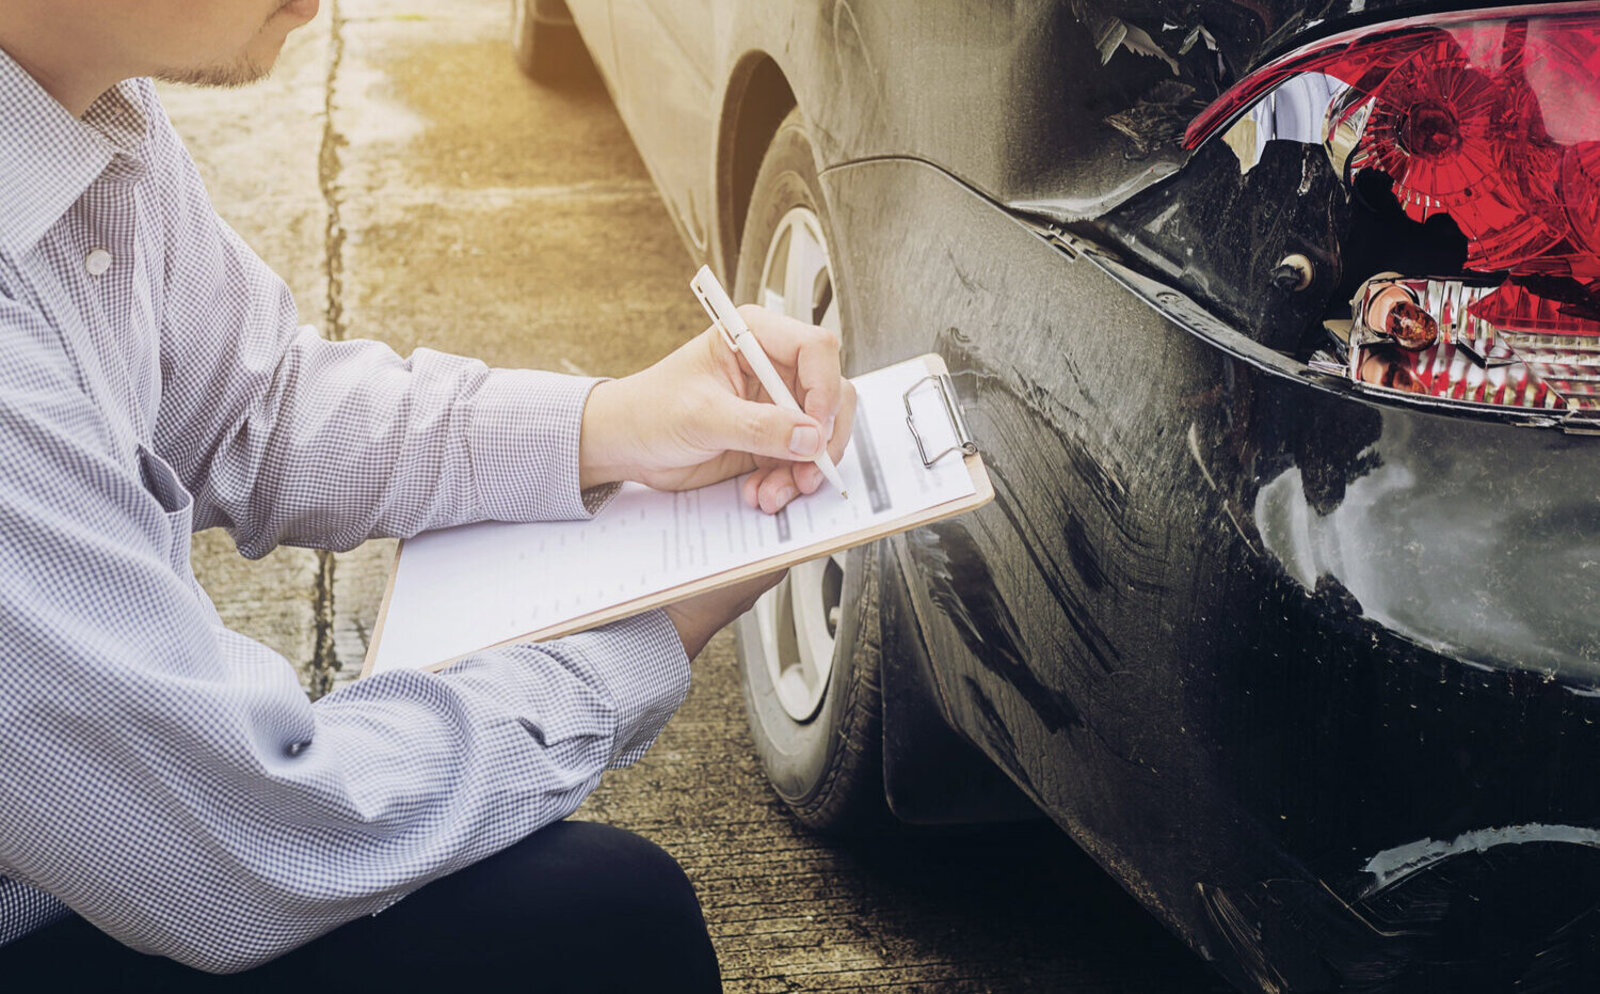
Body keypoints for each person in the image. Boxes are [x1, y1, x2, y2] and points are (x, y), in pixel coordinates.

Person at [0, 0, 855, 988]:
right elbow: (243, 840)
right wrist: (633, 636)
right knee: (606, 923)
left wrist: (615, 424)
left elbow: (251, 406)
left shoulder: (88, 108)